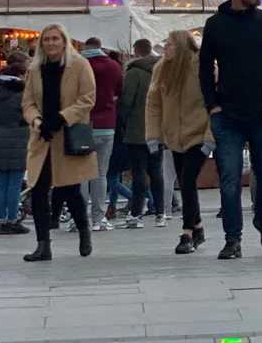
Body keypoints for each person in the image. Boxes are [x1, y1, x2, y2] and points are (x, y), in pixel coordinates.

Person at [198, 0, 262, 260]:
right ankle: (232, 239)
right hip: (228, 117)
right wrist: (211, 104)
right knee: (229, 178)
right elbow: (203, 66)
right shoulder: (215, 25)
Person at [21, 23, 97, 263]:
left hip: (68, 135)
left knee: (69, 189)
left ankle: (84, 230)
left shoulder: (80, 65)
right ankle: (43, 245)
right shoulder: (35, 69)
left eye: (55, 39)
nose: (51, 43)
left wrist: (62, 118)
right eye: (46, 39)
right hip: (42, 136)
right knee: (39, 189)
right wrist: (36, 120)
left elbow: (87, 99)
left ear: (64, 41)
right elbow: (28, 102)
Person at [146, 30, 212, 254]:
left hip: (198, 133)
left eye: (171, 44)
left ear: (183, 46)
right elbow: (153, 104)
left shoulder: (203, 68)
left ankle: (187, 233)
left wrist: (210, 138)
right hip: (174, 136)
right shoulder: (161, 69)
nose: (166, 47)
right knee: (185, 182)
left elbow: (216, 103)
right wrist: (153, 135)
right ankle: (199, 227)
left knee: (187, 178)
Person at [75, 37, 122, 233]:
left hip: (82, 124)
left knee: (81, 174)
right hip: (106, 125)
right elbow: (120, 91)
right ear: (101, 47)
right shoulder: (113, 66)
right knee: (100, 173)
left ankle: (78, 218)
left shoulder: (77, 65)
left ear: (85, 47)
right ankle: (98, 218)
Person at [118, 38, 163, 229]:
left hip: (137, 130)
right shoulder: (161, 71)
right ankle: (161, 212)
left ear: (135, 52)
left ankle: (136, 212)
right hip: (157, 129)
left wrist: (121, 117)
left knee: (138, 173)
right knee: (156, 171)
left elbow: (126, 100)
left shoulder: (134, 72)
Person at [0, 53, 31, 236]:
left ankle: (0, 220)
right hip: (17, 137)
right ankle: (13, 220)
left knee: (1, 181)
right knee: (14, 182)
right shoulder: (19, 94)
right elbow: (28, 114)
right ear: (20, 76)